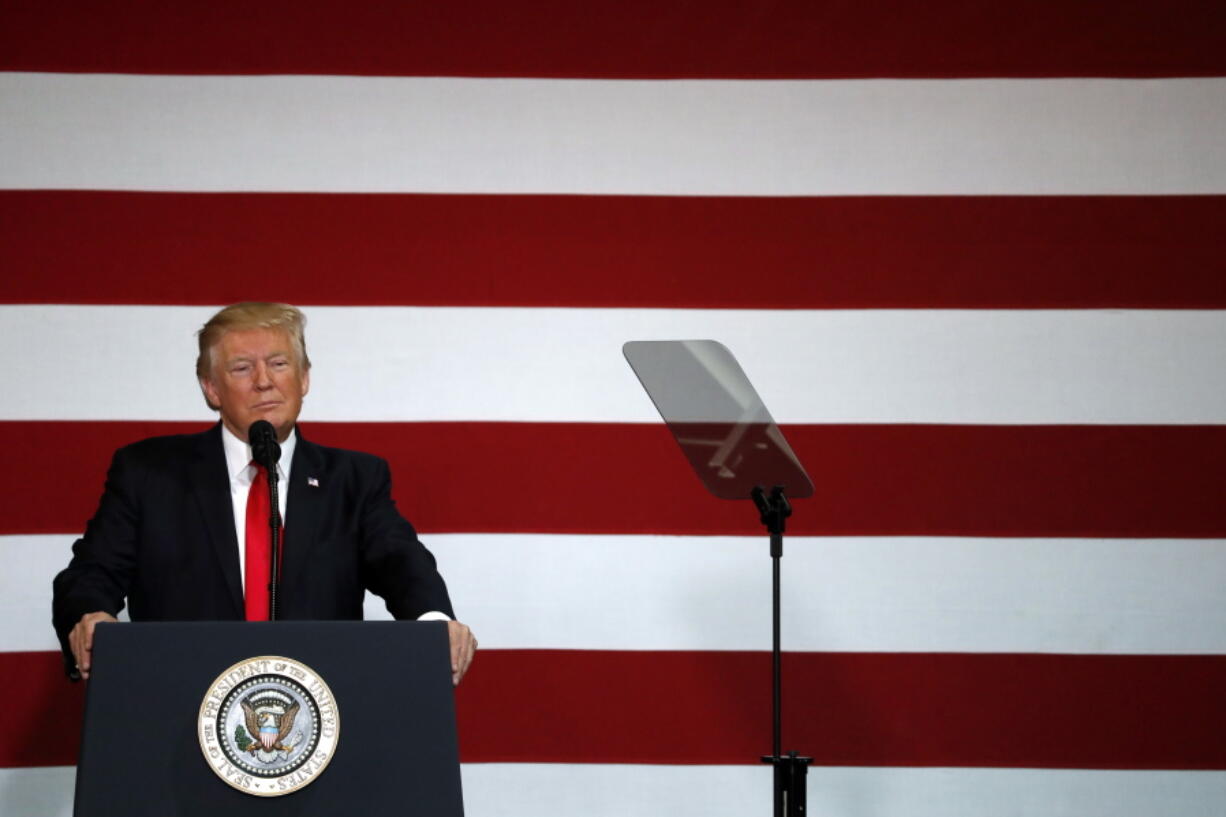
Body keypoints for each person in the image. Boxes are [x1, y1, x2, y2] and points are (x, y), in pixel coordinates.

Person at [52, 302, 476, 684]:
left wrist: (433, 620)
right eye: (241, 368)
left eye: (278, 364)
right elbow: (93, 571)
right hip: (182, 703)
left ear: (304, 378)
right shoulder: (149, 473)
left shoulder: (354, 479)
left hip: (319, 711)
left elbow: (400, 561)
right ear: (211, 389)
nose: (263, 382)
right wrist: (91, 616)